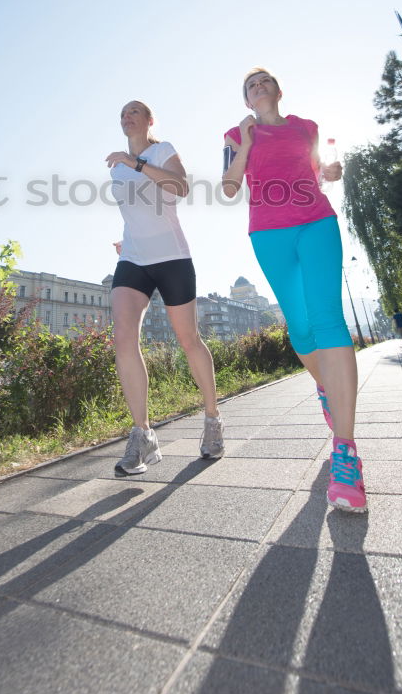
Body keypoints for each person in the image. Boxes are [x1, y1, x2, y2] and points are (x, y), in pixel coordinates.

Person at [222, 67, 366, 513]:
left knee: (327, 319)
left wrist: (332, 170)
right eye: (251, 85)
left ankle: (346, 452)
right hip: (269, 233)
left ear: (278, 91)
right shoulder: (233, 134)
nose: (258, 86)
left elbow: (321, 169)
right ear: (247, 101)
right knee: (301, 330)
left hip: (317, 221)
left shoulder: (306, 127)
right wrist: (246, 144)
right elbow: (229, 187)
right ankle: (327, 388)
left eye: (265, 81)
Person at [107, 99, 224, 476]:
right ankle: (142, 434)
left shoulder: (162, 150)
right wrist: (128, 241)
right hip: (134, 259)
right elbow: (137, 210)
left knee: (188, 339)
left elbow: (181, 187)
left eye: (134, 111)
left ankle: (212, 420)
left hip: (172, 257)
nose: (127, 117)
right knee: (123, 337)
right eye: (122, 113)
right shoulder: (117, 167)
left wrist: (137, 163)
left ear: (149, 120)